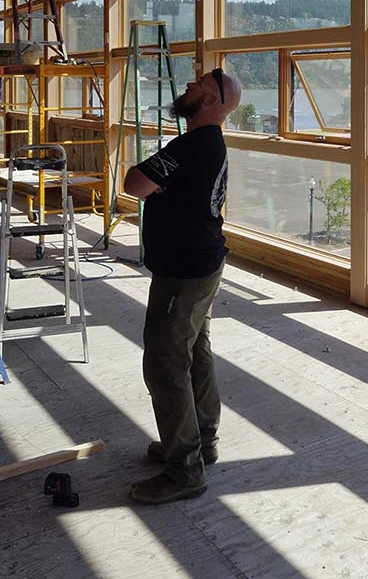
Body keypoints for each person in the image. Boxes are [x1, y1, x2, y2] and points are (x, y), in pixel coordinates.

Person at [122, 66, 241, 505]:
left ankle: (184, 470)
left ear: (212, 102)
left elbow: (134, 183)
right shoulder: (207, 144)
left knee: (165, 362)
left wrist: (153, 184)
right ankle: (201, 442)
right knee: (194, 352)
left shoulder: (192, 145)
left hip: (185, 272)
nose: (187, 87)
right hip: (201, 264)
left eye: (198, 86)